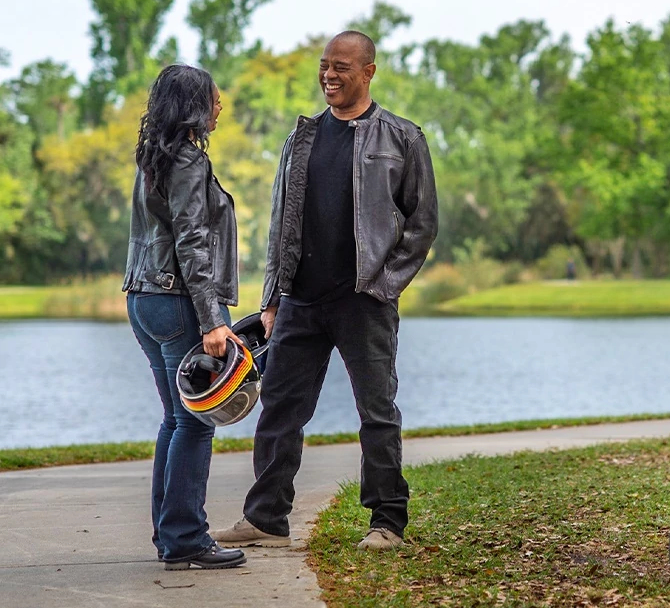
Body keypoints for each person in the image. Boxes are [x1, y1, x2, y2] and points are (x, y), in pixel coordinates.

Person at [214, 31, 438, 551]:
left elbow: (421, 226)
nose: (329, 76)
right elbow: (281, 225)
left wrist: (384, 286)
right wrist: (271, 298)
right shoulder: (301, 138)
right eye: (324, 66)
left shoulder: (402, 139)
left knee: (377, 413)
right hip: (299, 301)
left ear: (368, 72)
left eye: (340, 66)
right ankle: (266, 518)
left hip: (365, 302)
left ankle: (387, 523)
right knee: (279, 411)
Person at [122, 64, 246, 571]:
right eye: (214, 97)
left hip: (143, 298)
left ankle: (170, 535)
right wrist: (213, 318)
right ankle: (187, 538)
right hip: (176, 302)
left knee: (176, 419)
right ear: (196, 103)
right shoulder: (189, 160)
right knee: (197, 423)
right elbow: (193, 242)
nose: (221, 104)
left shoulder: (153, 156)